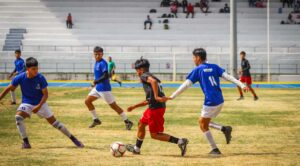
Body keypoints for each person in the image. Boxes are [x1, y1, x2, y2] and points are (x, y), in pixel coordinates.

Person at [168, 48, 249, 155]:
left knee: (202, 124)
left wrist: (172, 96)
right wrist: (242, 84)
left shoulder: (198, 70)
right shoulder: (214, 67)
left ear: (198, 58)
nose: (193, 60)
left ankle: (215, 149)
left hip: (210, 102)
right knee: (204, 121)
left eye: (193, 57)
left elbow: (186, 85)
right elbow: (228, 77)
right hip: (220, 100)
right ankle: (224, 129)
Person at [0, 57, 84, 149]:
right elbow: (9, 88)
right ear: (27, 69)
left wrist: (38, 106)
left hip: (41, 103)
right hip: (27, 103)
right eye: (33, 69)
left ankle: (74, 139)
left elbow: (45, 95)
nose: (36, 71)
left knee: (55, 123)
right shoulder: (20, 77)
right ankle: (26, 143)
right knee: (18, 117)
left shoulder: (40, 78)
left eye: (37, 68)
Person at [125, 57, 189, 156]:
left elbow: (153, 86)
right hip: (155, 107)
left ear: (141, 70)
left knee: (155, 135)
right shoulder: (154, 77)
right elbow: (149, 100)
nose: (137, 73)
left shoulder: (144, 76)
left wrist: (156, 96)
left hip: (155, 109)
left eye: (137, 71)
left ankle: (180, 141)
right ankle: (136, 149)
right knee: (141, 124)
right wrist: (134, 106)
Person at [84, 46, 133, 130]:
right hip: (98, 88)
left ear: (102, 54)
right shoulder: (96, 62)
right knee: (87, 101)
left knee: (113, 106)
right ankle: (96, 120)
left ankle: (127, 121)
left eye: (99, 54)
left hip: (104, 88)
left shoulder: (103, 63)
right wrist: (95, 83)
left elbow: (106, 75)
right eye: (95, 54)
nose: (97, 56)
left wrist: (96, 81)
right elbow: (98, 75)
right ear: (93, 54)